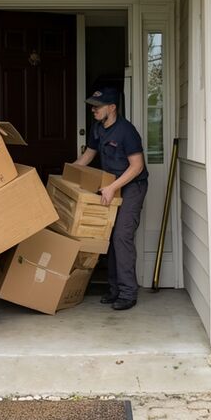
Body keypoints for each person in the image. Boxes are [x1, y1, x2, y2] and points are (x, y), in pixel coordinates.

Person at [74, 86, 148, 311]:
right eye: (92, 107)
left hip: (131, 186)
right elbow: (87, 156)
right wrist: (67, 175)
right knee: (110, 236)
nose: (93, 110)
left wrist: (112, 187)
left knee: (122, 236)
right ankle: (115, 289)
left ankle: (128, 293)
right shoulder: (98, 128)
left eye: (98, 107)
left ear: (112, 108)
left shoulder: (127, 131)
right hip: (112, 187)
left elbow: (137, 166)